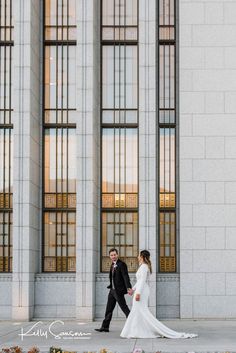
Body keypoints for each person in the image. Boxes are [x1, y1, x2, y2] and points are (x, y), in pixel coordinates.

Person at [120, 250, 198, 339]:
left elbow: (142, 281)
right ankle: (136, 331)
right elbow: (139, 281)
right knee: (138, 310)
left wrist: (138, 293)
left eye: (138, 255)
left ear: (142, 257)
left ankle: (138, 331)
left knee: (140, 310)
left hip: (142, 291)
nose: (137, 257)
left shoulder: (144, 267)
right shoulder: (142, 266)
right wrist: (133, 290)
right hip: (140, 290)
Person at [95, 248, 132, 332]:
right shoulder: (112, 264)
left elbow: (126, 276)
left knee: (124, 308)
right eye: (111, 255)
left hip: (118, 291)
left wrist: (128, 287)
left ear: (117, 255)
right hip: (112, 290)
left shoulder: (122, 264)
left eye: (114, 255)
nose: (113, 256)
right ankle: (105, 327)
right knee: (109, 309)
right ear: (109, 256)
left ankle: (133, 324)